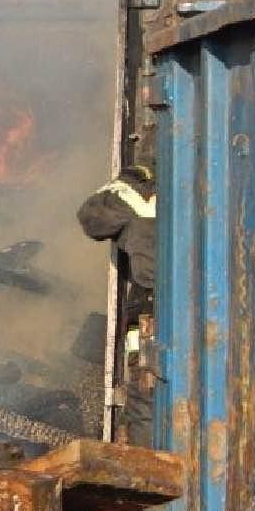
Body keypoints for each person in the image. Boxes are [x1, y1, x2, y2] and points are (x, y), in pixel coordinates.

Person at [77, 164, 156, 446]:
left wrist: (130, 180)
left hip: (156, 341)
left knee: (151, 446)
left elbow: (92, 217)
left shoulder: (144, 189)